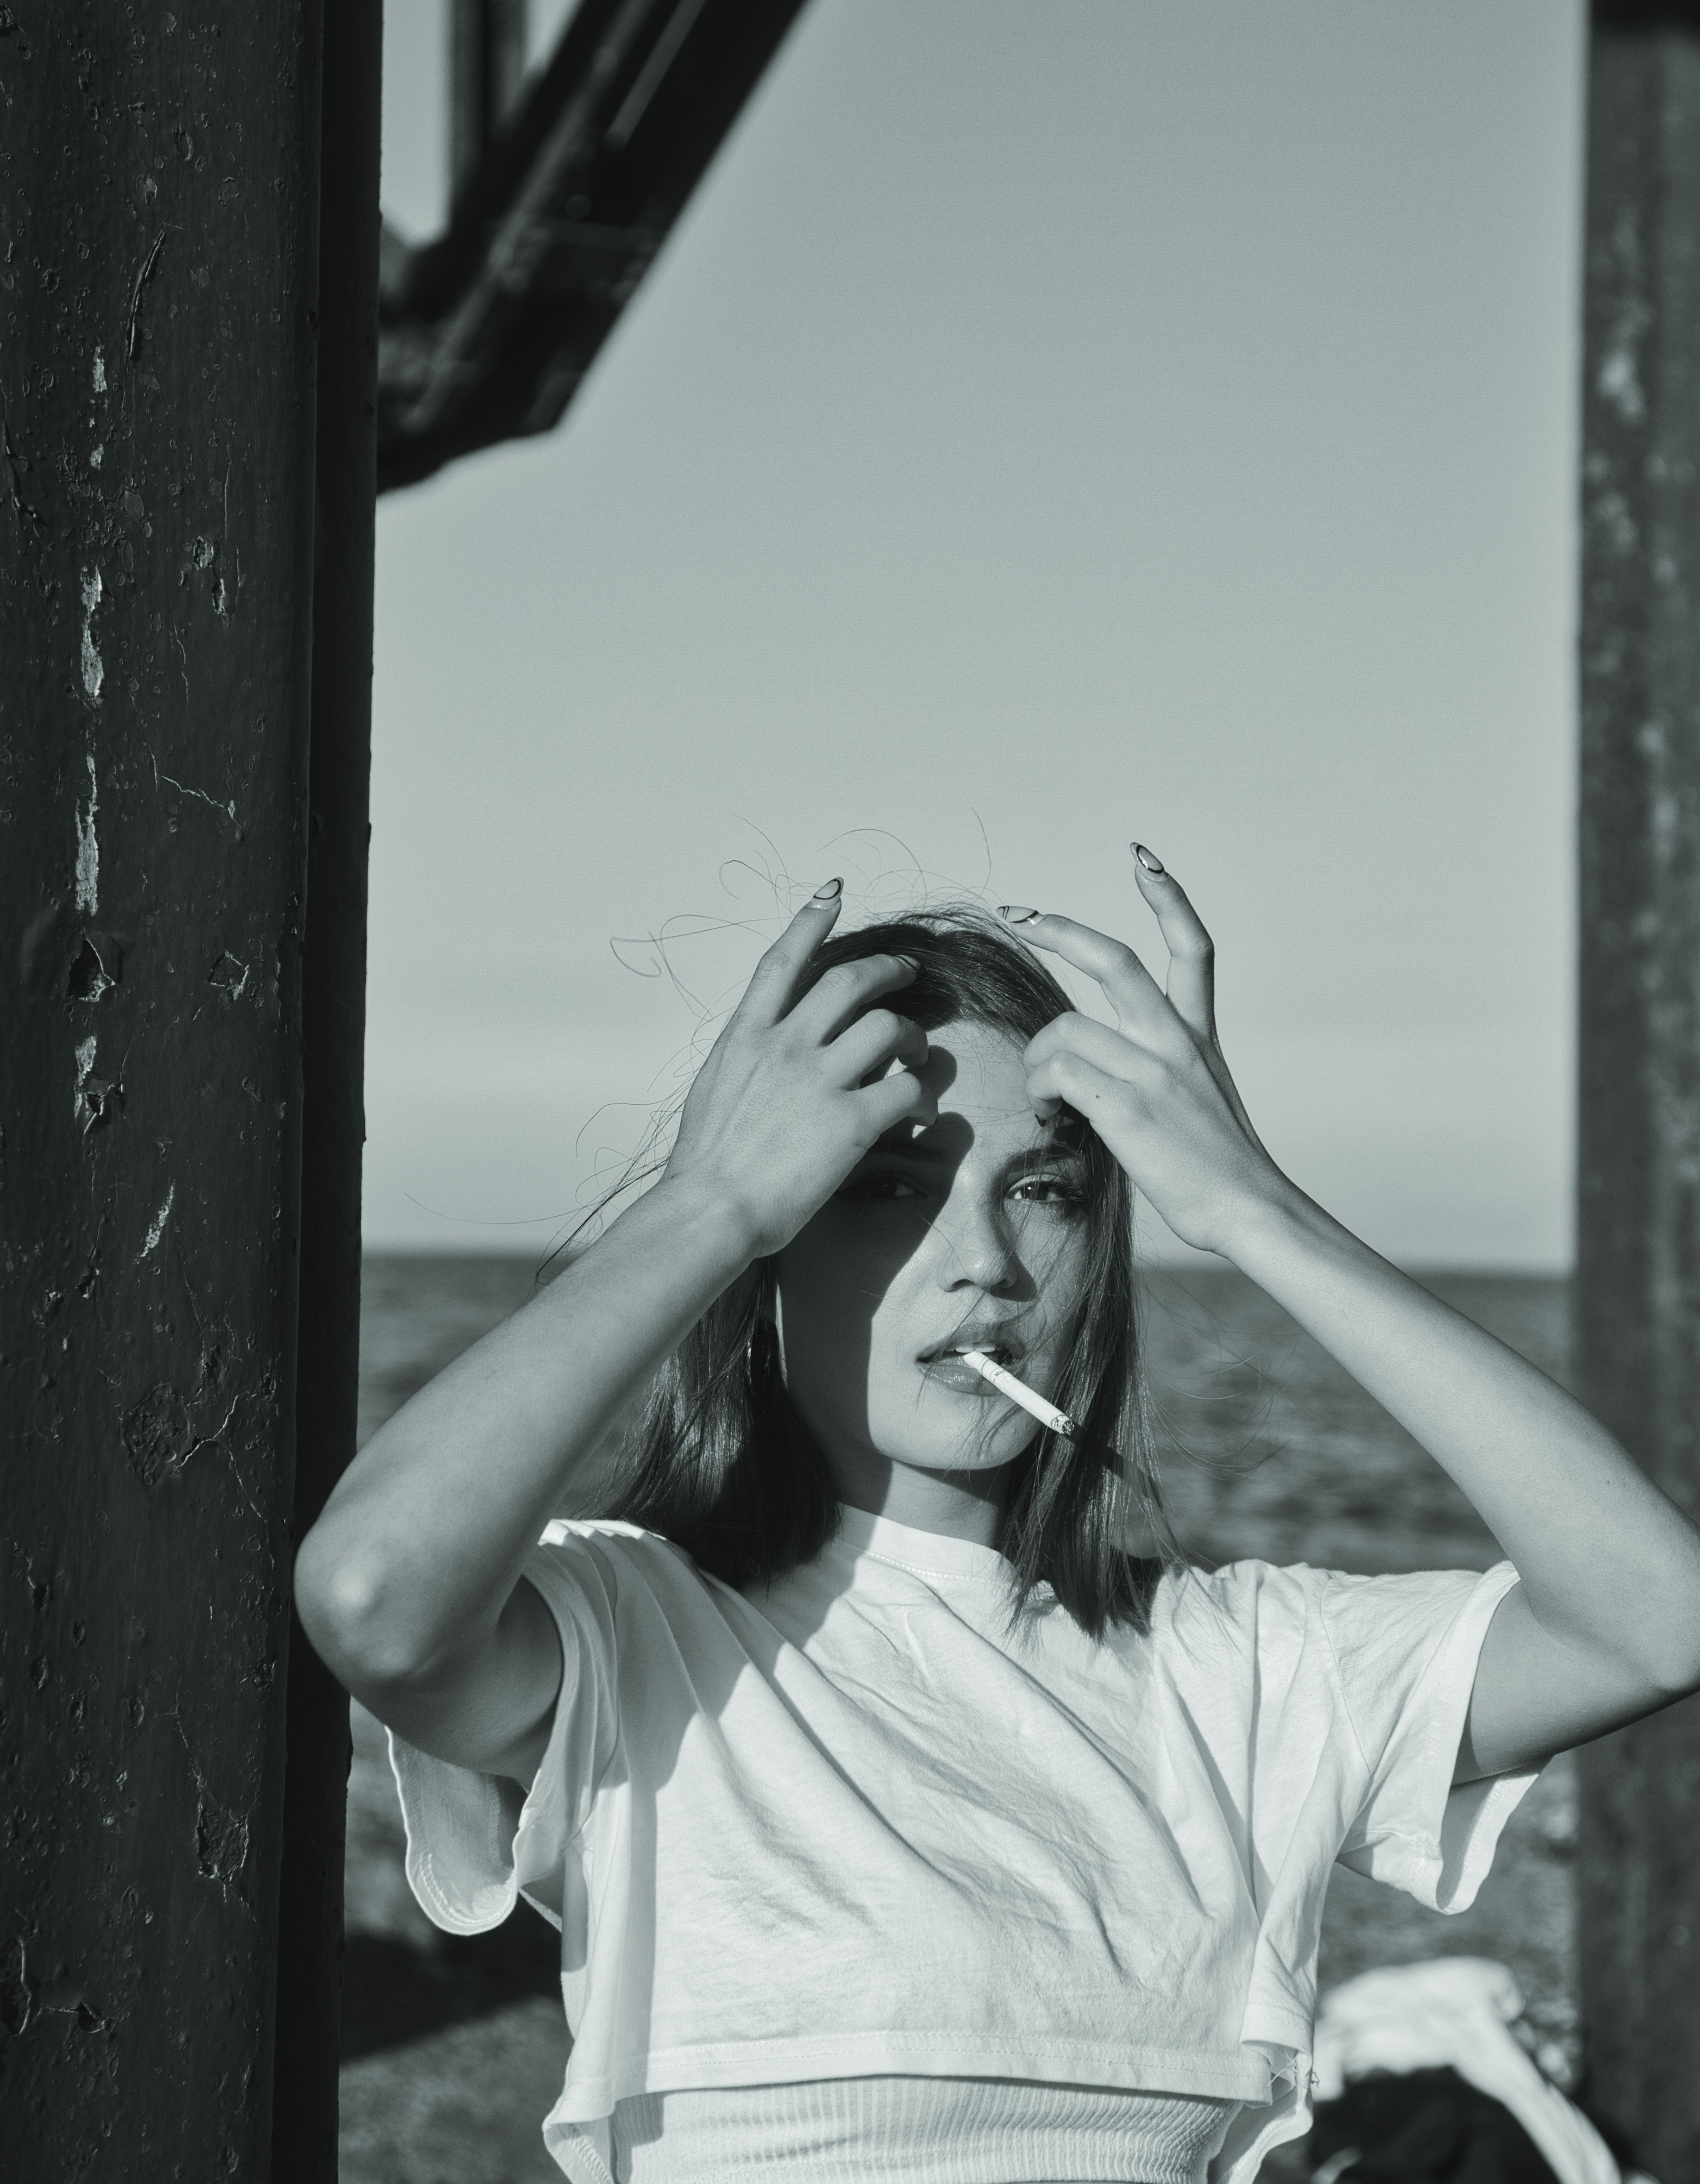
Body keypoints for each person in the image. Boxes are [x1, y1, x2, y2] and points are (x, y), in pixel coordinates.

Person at [295, 851, 1700, 2184]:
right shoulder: (633, 1637)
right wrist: (709, 1199)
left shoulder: (1239, 1667)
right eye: (885, 1189)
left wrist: (1257, 1210)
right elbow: (374, 1595)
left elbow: (1655, 1617)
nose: (982, 1265)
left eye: (1041, 1189)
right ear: (772, 1247)